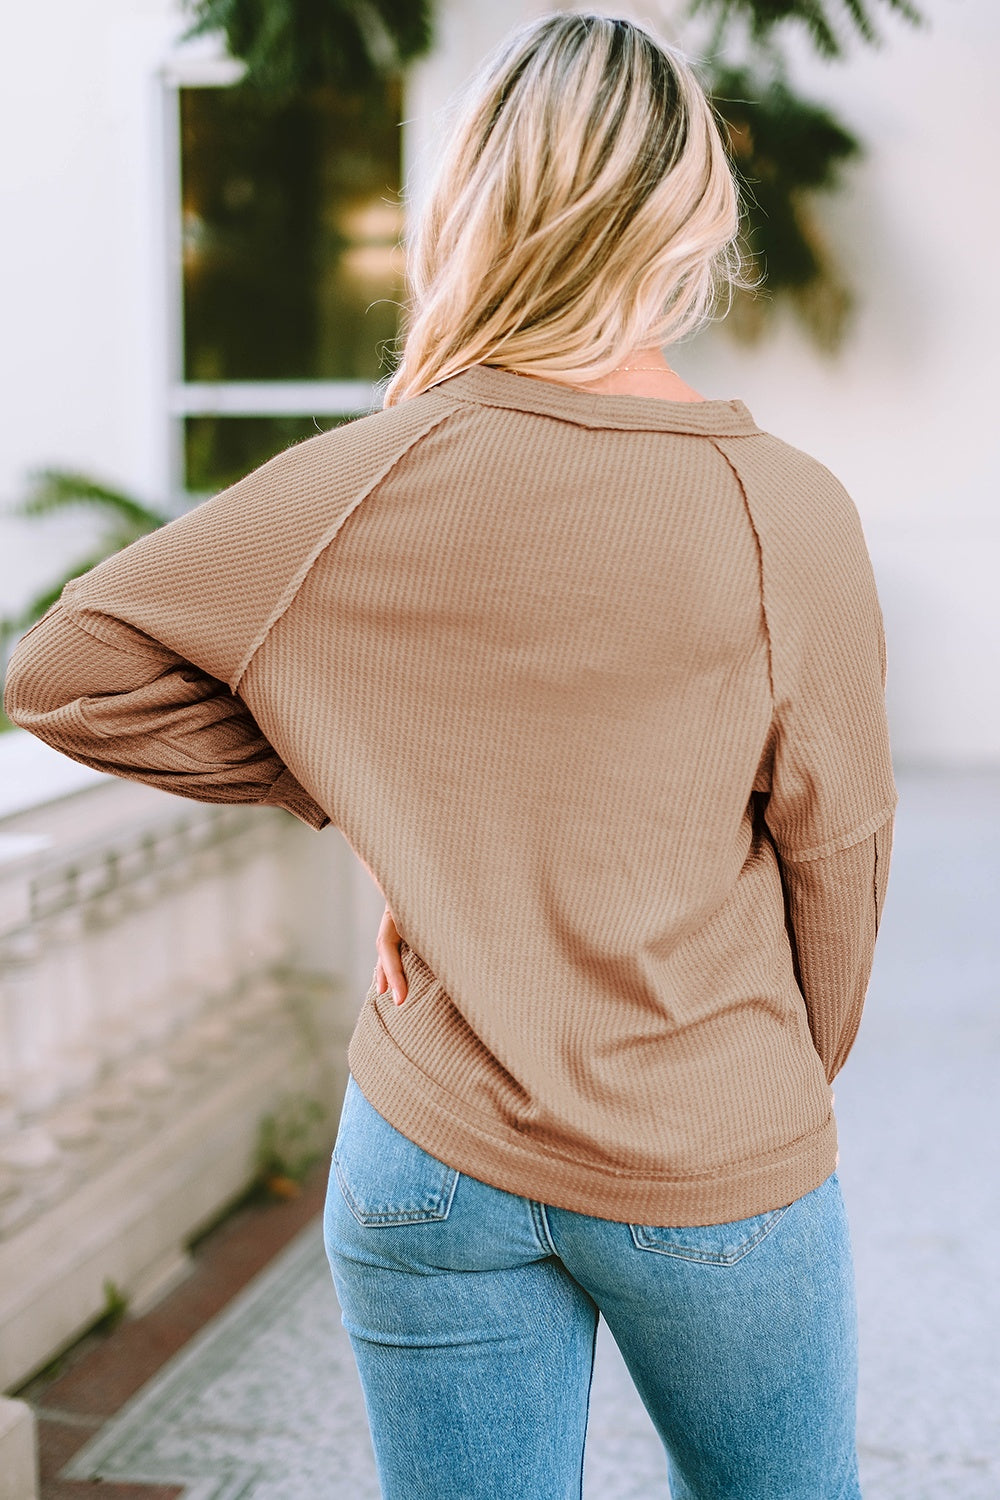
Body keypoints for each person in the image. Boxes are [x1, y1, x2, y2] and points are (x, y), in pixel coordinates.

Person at [2, 10, 896, 1499]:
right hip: (706, 1144)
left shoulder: (374, 473)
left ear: (476, 198)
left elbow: (67, 671)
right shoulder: (781, 508)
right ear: (691, 210)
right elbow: (837, 857)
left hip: (428, 1150)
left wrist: (380, 792)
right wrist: (785, 1087)